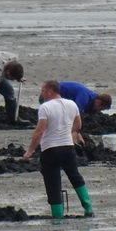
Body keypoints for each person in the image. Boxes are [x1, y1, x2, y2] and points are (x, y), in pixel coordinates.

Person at [22, 80, 94, 219]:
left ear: (50, 91)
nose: (41, 94)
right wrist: (65, 130)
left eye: (42, 91)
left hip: (50, 149)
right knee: (75, 176)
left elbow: (39, 131)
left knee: (52, 181)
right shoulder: (72, 104)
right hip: (68, 147)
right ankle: (88, 208)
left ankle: (57, 215)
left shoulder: (45, 107)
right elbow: (78, 124)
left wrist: (30, 151)